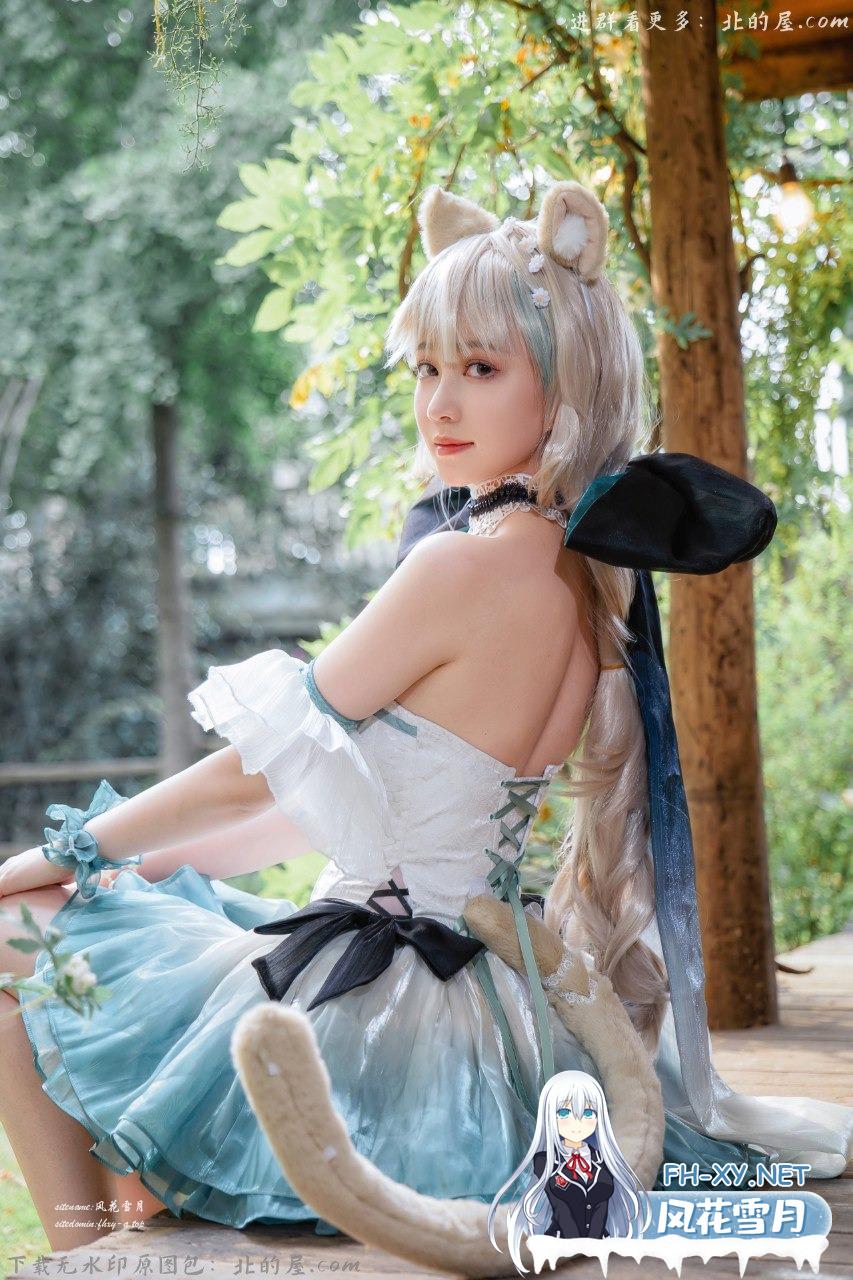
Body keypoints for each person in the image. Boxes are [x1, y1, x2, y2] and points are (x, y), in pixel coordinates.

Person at [0, 177, 850, 1256]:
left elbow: (247, 775)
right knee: (90, 962)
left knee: (15, 934)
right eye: (426, 368)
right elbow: (327, 807)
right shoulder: (586, 580)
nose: (438, 405)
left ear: (566, 385)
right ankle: (108, 1244)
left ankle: (81, 1255)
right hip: (487, 1000)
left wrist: (63, 850)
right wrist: (134, 870)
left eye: (480, 370)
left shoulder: (463, 567)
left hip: (383, 1002)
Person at [489, 1070, 650, 1271]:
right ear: (550, 1115)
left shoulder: (605, 1160)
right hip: (560, 1254)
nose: (577, 1123)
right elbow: (562, 1211)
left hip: (601, 1253)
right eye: (564, 1113)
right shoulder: (545, 1161)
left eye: (588, 1113)